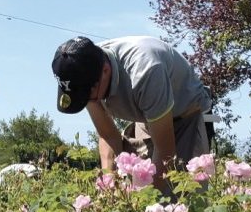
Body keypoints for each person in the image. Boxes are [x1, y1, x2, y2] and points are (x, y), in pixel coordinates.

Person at [52, 35, 214, 192]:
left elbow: (165, 151)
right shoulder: (83, 72)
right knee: (130, 184)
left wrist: (144, 203)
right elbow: (108, 135)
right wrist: (108, 181)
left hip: (187, 117)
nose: (89, 101)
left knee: (181, 198)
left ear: (106, 71)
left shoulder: (145, 71)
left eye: (88, 96)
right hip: (149, 118)